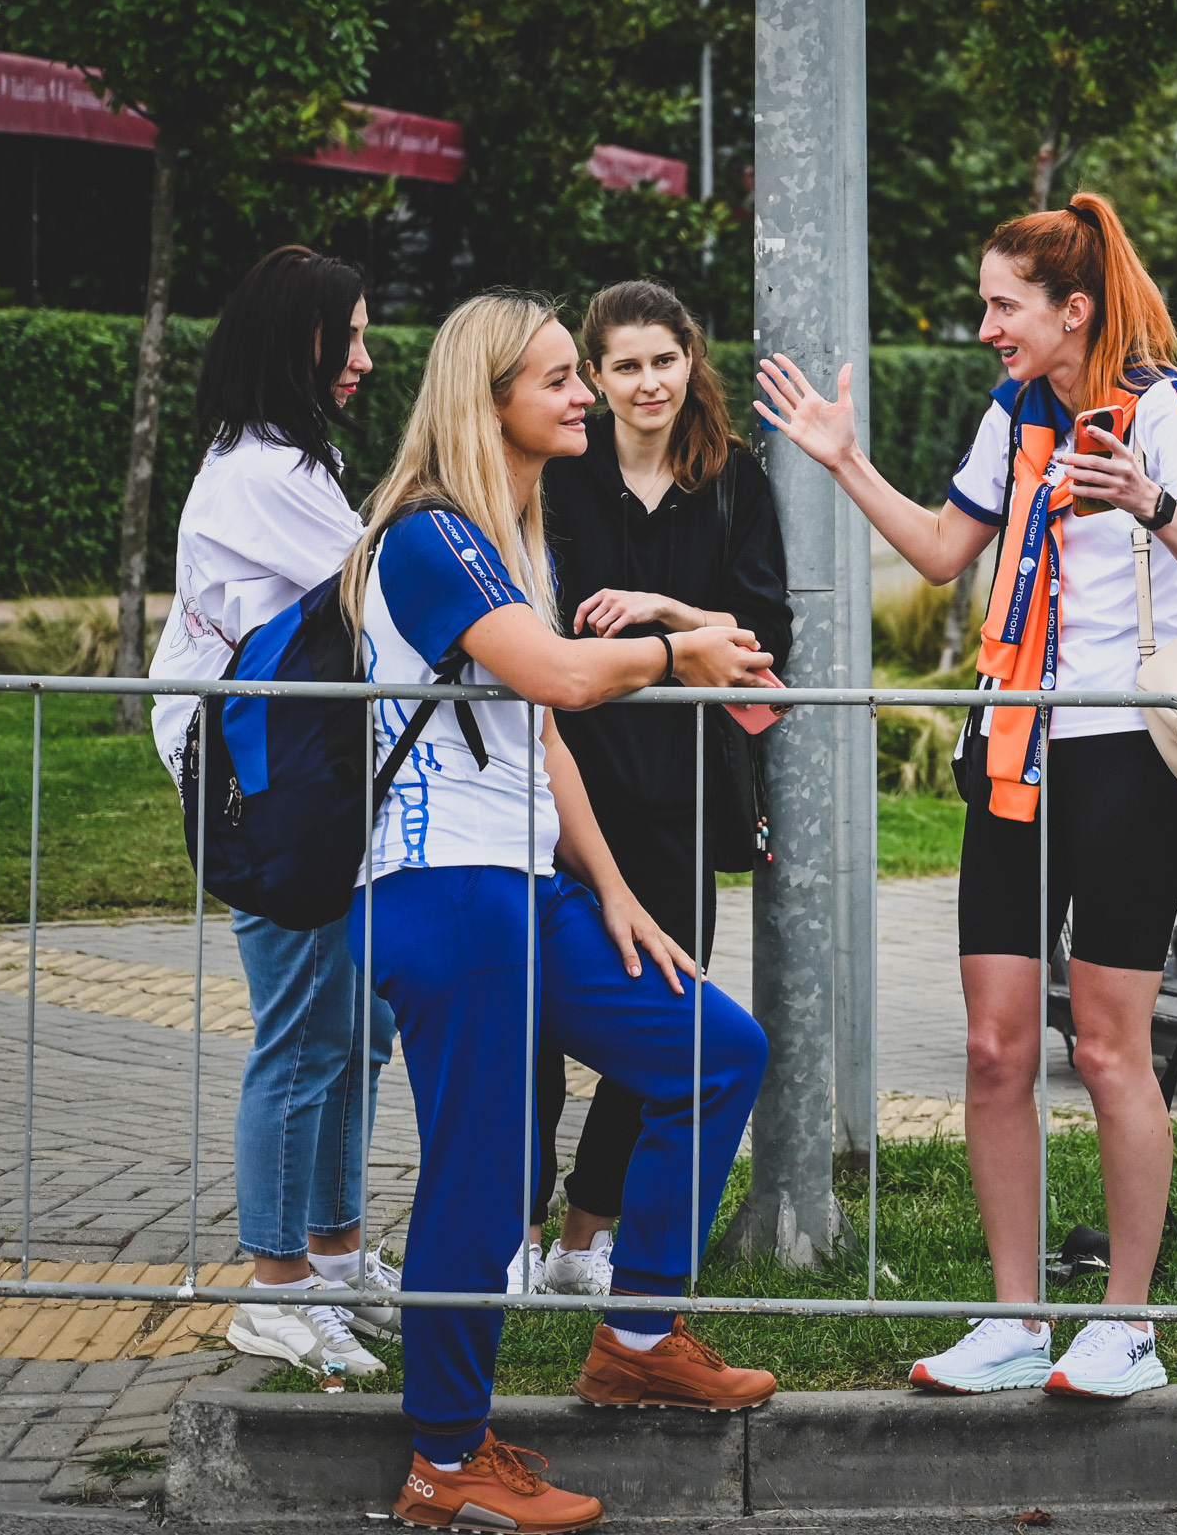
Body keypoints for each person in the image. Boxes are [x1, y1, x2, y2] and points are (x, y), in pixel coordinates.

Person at [755, 191, 1177, 1401]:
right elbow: (939, 551)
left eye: (1002, 306)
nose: (985, 327)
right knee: (993, 1046)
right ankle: (1015, 1315)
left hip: (1130, 751)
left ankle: (1126, 1324)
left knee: (1111, 1045)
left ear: (1071, 309)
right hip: (1014, 744)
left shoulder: (1162, 405)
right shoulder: (1015, 413)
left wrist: (1148, 500)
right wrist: (843, 459)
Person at [344, 291, 780, 1535]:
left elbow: (539, 737)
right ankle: (445, 1458)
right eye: (558, 378)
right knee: (484, 1181)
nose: (585, 392)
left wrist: (617, 892)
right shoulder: (428, 535)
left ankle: (636, 1338)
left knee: (715, 1049)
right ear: (489, 402)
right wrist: (678, 651)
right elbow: (563, 678)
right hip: (448, 894)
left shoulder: (506, 529)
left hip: (529, 887)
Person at [148, 245, 397, 1379]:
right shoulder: (259, 474)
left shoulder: (293, 460)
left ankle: (334, 1261)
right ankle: (276, 1286)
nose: (364, 358)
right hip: (269, 790)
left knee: (358, 1027)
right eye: (347, 336)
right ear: (294, 339)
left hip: (310, 778)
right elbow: (385, 591)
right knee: (301, 1035)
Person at [517, 279, 794, 1297]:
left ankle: (583, 1240)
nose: (648, 383)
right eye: (625, 365)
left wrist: (667, 609)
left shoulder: (733, 478)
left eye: (664, 361)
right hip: (559, 786)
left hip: (684, 792)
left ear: (691, 361)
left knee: (663, 1017)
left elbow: (765, 640)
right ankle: (514, 1231)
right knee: (530, 1026)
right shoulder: (555, 473)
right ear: (593, 376)